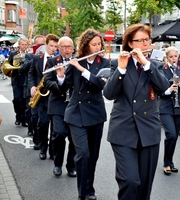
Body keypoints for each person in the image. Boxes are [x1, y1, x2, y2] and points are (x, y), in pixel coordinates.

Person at [103, 24, 169, 200]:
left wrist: (146, 64)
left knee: (145, 185)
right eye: (140, 41)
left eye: (147, 39)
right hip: (123, 130)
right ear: (130, 44)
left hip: (148, 130)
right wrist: (121, 70)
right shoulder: (118, 64)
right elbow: (108, 94)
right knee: (130, 180)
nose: (145, 44)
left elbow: (163, 87)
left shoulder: (155, 65)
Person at [57, 29, 109, 200]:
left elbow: (100, 85)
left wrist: (81, 69)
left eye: (99, 44)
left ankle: (89, 188)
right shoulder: (75, 61)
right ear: (85, 45)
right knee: (83, 154)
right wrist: (61, 77)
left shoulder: (104, 63)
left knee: (93, 156)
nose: (97, 47)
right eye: (93, 44)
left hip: (95, 113)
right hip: (76, 114)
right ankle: (82, 194)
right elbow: (64, 88)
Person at [44, 36, 76, 178]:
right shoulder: (52, 61)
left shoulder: (77, 62)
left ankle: (71, 165)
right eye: (64, 47)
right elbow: (47, 82)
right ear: (59, 48)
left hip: (74, 106)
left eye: (70, 47)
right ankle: (57, 164)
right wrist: (60, 81)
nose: (67, 50)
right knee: (59, 134)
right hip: (58, 104)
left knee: (75, 138)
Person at [158, 46, 180, 175]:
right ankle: (166, 163)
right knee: (170, 134)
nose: (173, 59)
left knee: (175, 136)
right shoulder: (162, 70)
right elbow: (158, 89)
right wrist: (168, 90)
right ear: (167, 58)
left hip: (179, 107)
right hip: (166, 106)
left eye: (175, 56)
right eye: (171, 57)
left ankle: (170, 161)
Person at [28, 34, 59, 160]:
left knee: (55, 127)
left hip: (54, 96)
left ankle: (52, 150)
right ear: (46, 45)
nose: (53, 49)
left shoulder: (58, 60)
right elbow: (31, 74)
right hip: (41, 97)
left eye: (56, 47)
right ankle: (42, 147)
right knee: (43, 123)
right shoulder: (37, 58)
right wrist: (32, 86)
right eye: (51, 46)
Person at [19, 35, 45, 137]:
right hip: (31, 87)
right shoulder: (29, 56)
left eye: (42, 45)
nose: (40, 47)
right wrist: (34, 58)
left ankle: (39, 136)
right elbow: (22, 69)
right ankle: (32, 129)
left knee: (41, 115)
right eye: (38, 45)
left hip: (43, 88)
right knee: (32, 112)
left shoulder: (48, 56)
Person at [8, 37, 28, 127]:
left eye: (25, 45)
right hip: (16, 79)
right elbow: (8, 65)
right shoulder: (13, 53)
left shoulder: (29, 54)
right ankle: (18, 116)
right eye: (22, 44)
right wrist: (8, 72)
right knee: (17, 99)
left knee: (24, 100)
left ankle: (24, 119)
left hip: (25, 80)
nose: (24, 46)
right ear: (19, 45)